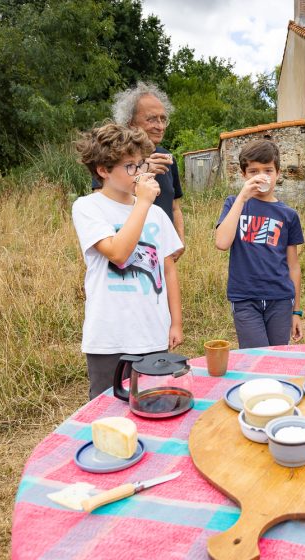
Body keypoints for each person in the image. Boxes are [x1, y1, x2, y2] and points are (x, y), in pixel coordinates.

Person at [73, 123, 183, 399]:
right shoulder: (88, 207)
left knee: (155, 401)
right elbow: (118, 253)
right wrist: (143, 203)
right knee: (108, 409)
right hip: (109, 338)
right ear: (103, 170)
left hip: (152, 333)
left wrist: (175, 322)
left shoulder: (156, 215)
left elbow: (168, 268)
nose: (138, 172)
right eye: (129, 166)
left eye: (140, 164)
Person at [215, 139, 304, 348]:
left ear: (278, 174)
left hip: (280, 299)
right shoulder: (233, 204)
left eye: (268, 170)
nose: (261, 176)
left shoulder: (288, 215)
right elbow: (222, 242)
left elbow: (293, 266)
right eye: (253, 171)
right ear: (243, 175)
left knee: (276, 358)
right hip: (245, 298)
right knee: (255, 357)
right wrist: (242, 198)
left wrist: (296, 311)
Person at [98, 81, 185, 261]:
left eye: (163, 119)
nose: (160, 126)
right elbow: (102, 202)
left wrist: (179, 240)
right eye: (151, 119)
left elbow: (175, 207)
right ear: (130, 123)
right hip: (126, 253)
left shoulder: (167, 158)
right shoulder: (113, 158)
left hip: (162, 253)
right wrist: (142, 170)